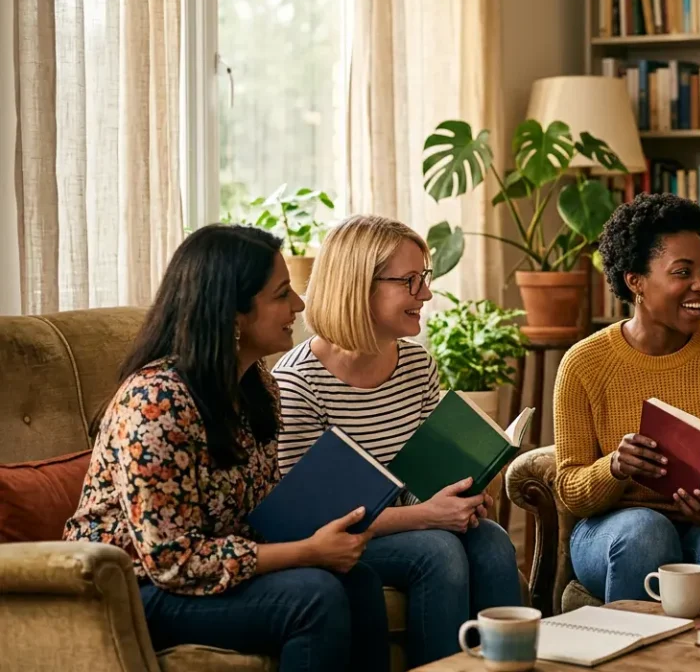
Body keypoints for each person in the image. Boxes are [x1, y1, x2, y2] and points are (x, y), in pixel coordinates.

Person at [63, 224, 390, 672]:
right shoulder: (155, 402)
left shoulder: (258, 388)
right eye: (281, 295)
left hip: (211, 569)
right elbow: (171, 561)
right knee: (314, 597)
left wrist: (335, 524)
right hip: (133, 591)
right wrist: (308, 552)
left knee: (360, 581)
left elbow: (261, 513)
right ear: (232, 315)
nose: (299, 305)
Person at [272, 214, 521, 666]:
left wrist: (466, 492)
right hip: (342, 537)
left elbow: (428, 469)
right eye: (410, 281)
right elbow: (305, 518)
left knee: (494, 542)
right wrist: (428, 517)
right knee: (438, 551)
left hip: (416, 519)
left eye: (423, 278)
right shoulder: (296, 384)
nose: (425, 293)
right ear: (359, 286)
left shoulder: (415, 364)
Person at [554, 193, 700, 605]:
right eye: (683, 272)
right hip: (611, 531)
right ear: (635, 281)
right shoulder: (583, 364)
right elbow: (568, 488)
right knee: (646, 533)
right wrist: (615, 467)